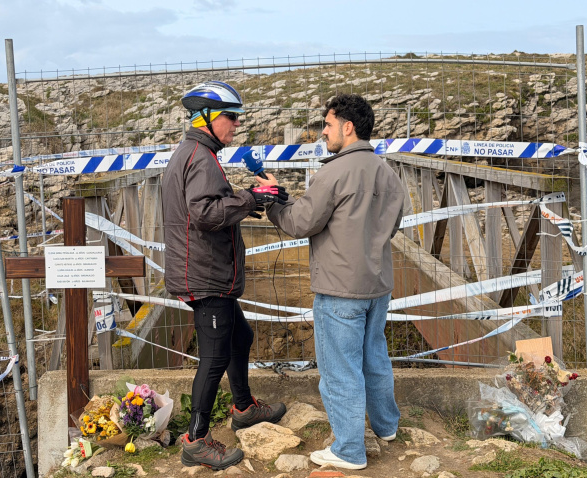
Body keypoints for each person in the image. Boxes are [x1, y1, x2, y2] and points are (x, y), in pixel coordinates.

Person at [260, 93, 405, 470]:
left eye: (327, 124)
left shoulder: (334, 171)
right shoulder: (388, 173)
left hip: (340, 288)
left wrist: (273, 202)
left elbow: (300, 222)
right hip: (377, 284)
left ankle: (349, 450)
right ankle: (387, 426)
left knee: (340, 369)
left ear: (348, 126)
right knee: (374, 357)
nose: (323, 132)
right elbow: (392, 225)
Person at [162, 80, 288, 470]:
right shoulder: (200, 157)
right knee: (214, 357)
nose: (236, 124)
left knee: (241, 336)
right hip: (205, 274)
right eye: (231, 117)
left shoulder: (196, 152)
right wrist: (253, 198)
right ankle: (196, 440)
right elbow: (204, 214)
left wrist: (252, 198)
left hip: (206, 270)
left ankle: (244, 408)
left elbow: (210, 205)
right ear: (206, 118)